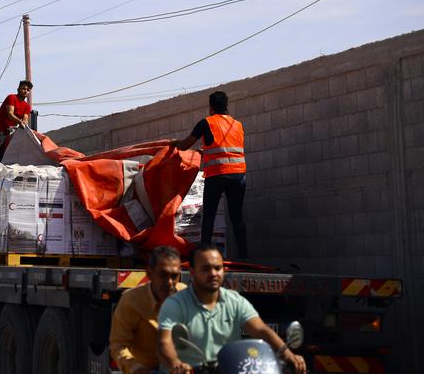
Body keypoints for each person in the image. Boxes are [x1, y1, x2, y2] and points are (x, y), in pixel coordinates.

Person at [157, 244, 306, 374]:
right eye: (206, 269)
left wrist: (288, 354)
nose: (213, 274)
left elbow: (261, 330)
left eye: (218, 268)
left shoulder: (235, 301)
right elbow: (165, 342)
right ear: (192, 272)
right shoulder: (175, 303)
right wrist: (176, 364)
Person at [168, 91, 247, 259]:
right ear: (227, 106)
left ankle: (203, 256)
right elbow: (226, 148)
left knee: (209, 217)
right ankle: (244, 256)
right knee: (237, 217)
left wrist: (173, 143)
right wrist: (206, 152)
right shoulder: (238, 125)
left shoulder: (206, 123)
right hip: (238, 177)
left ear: (210, 107)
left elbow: (184, 145)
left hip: (217, 176)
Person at [110, 246, 187, 374]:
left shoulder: (185, 296)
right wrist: (136, 368)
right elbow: (118, 345)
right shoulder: (132, 300)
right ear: (149, 273)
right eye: (163, 275)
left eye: (174, 276)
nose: (169, 282)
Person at [0, 80, 33, 161]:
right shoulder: (11, 97)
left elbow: (25, 119)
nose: (25, 91)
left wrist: (24, 123)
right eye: (23, 88)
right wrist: (20, 122)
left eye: (28, 90)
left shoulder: (27, 106)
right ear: (18, 89)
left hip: (11, 132)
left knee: (8, 158)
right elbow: (10, 114)